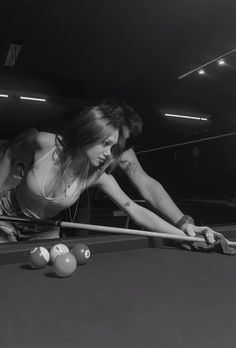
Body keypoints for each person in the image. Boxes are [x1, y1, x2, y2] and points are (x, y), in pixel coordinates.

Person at [0, 104, 193, 243]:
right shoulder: (45, 142)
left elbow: (136, 211)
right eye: (106, 143)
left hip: (44, 230)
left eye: (114, 146)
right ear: (90, 134)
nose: (109, 153)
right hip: (7, 215)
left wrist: (184, 232)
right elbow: (9, 153)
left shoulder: (98, 175)